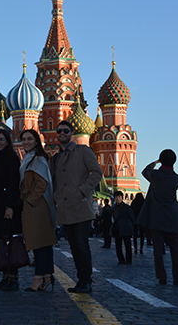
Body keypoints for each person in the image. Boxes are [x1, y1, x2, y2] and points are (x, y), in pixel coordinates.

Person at [51, 121, 103, 294]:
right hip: (65, 207)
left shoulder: (83, 151)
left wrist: (83, 191)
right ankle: (81, 280)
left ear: (71, 133)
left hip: (80, 206)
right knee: (73, 245)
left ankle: (86, 280)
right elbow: (54, 181)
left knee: (81, 243)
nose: (62, 134)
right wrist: (56, 197)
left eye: (65, 131)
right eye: (59, 131)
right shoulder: (56, 158)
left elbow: (97, 172)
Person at [136, 149, 178, 285]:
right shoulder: (177, 179)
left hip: (157, 217)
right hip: (174, 217)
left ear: (161, 160)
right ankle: (177, 277)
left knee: (158, 250)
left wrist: (155, 162)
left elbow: (144, 171)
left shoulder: (155, 175)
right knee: (176, 250)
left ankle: (161, 277)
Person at [20, 129, 56, 292]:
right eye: (24, 139)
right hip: (35, 204)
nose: (26, 142)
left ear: (36, 141)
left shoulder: (37, 159)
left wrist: (30, 201)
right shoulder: (29, 158)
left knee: (38, 242)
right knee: (45, 242)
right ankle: (47, 276)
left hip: (36, 205)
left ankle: (38, 278)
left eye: (30, 139)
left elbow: (42, 184)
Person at [0, 129, 22, 291]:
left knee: (10, 241)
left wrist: (10, 206)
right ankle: (4, 276)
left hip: (8, 206)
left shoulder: (12, 159)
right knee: (1, 241)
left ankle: (13, 278)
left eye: (2, 139)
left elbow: (13, 184)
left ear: (8, 142)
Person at [112, 190, 135, 265]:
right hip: (117, 229)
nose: (118, 198)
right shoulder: (114, 207)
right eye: (116, 197)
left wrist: (132, 227)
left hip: (126, 228)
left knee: (127, 245)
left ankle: (128, 260)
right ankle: (121, 260)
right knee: (118, 245)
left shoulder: (126, 207)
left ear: (122, 198)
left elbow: (132, 218)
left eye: (119, 197)